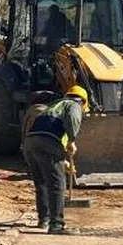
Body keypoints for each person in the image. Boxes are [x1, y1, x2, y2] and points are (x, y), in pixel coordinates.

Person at [22, 84, 87, 235]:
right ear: (83, 101)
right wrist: (72, 140)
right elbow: (72, 118)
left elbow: (44, 125)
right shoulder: (73, 104)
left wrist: (62, 159)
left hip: (30, 143)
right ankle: (56, 225)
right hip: (48, 143)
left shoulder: (53, 105)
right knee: (57, 184)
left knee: (42, 183)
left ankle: (43, 220)